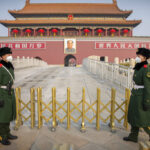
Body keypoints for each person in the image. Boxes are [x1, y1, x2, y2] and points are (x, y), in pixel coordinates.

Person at [123, 48, 150, 143]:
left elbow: (148, 87)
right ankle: (133, 136)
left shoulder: (146, 68)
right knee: (134, 117)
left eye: (139, 56)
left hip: (141, 96)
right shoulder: (139, 66)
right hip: (135, 95)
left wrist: (147, 101)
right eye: (137, 56)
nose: (137, 58)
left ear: (145, 57)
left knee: (143, 119)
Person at [0, 47, 17, 145]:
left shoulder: (10, 65)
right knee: (2, 117)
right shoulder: (1, 67)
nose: (10, 56)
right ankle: (2, 136)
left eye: (10, 54)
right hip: (2, 94)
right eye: (7, 54)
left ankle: (7, 133)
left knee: (8, 114)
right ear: (2, 56)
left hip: (10, 93)